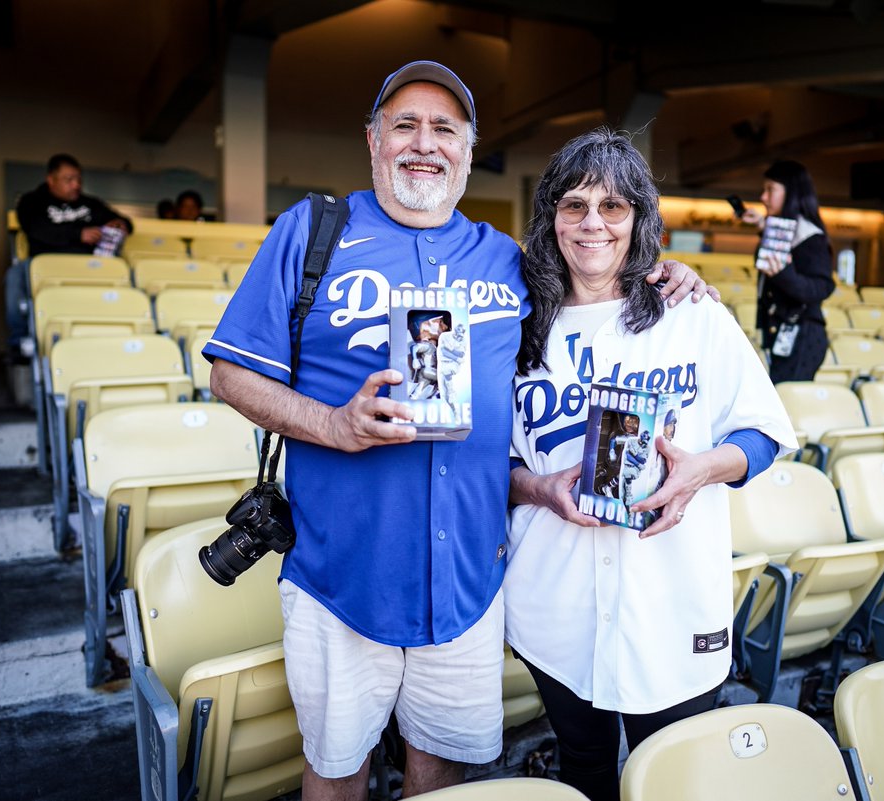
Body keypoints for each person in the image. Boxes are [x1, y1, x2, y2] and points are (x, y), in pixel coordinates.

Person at [204, 62, 713, 801]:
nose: (424, 143)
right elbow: (230, 375)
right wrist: (335, 424)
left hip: (471, 587)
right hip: (342, 579)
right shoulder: (311, 232)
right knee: (336, 772)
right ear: (373, 139)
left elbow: (598, 274)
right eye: (404, 124)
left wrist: (668, 274)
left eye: (445, 128)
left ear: (468, 151)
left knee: (445, 780)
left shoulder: (510, 262)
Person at [505, 128, 798, 801]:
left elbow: (763, 433)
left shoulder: (690, 313)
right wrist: (539, 488)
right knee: (582, 767)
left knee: (673, 779)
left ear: (640, 219)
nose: (592, 223)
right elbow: (488, 466)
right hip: (555, 602)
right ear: (549, 215)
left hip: (672, 601)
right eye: (573, 204)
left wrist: (699, 469)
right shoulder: (517, 325)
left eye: (613, 206)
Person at [7, 154, 133, 355]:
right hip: (45, 264)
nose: (76, 185)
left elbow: (123, 221)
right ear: (51, 179)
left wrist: (121, 224)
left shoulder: (90, 204)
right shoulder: (31, 201)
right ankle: (20, 343)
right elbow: (36, 229)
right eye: (69, 180)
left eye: (79, 180)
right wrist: (78, 234)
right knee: (14, 275)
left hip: (86, 267)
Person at [740, 160, 835, 383]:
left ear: (791, 192)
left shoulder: (810, 236)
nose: (763, 197)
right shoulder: (781, 228)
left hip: (801, 337)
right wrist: (763, 226)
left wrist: (785, 274)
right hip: (779, 334)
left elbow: (822, 287)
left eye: (770, 189)